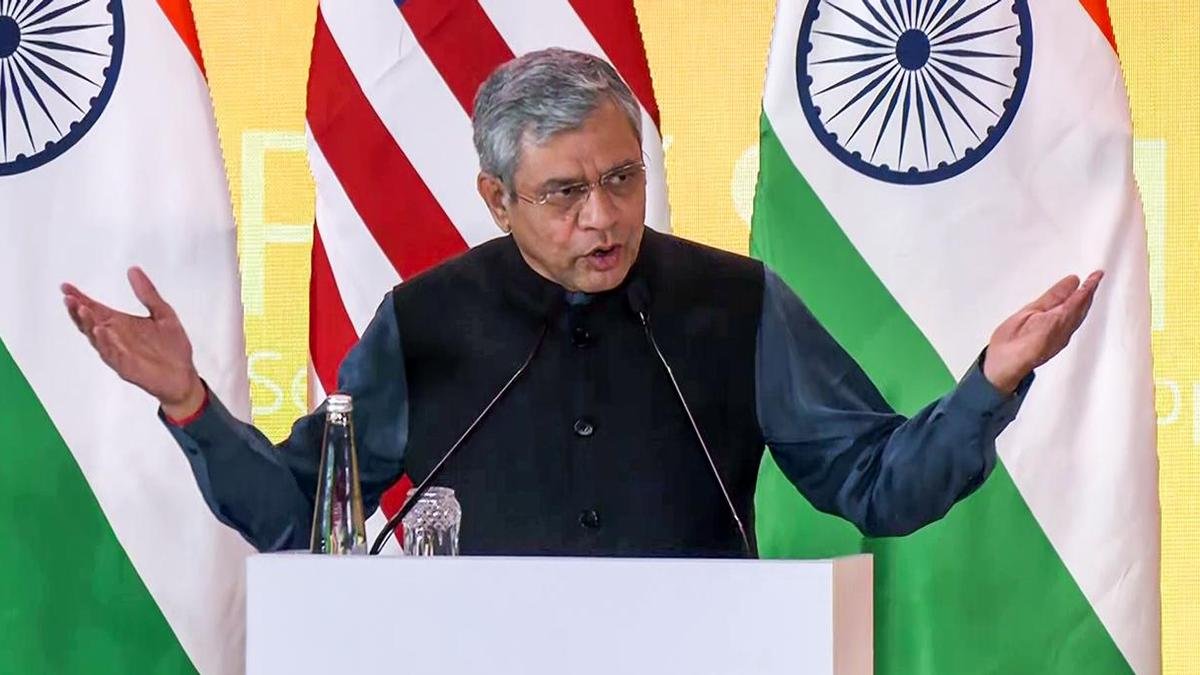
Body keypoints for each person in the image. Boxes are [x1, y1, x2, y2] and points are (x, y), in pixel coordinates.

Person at [60, 49, 1100, 557]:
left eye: (622, 179)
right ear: (497, 199)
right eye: (564, 194)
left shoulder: (737, 304)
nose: (603, 217)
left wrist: (991, 382)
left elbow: (879, 486)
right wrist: (190, 402)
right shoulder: (424, 321)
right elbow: (303, 517)